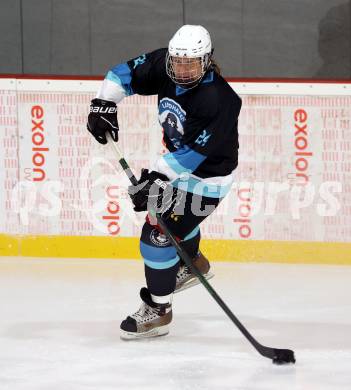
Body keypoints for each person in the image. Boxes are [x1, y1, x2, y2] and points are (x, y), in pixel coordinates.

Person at [87, 25, 242, 339]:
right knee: (170, 218)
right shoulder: (164, 64)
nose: (183, 69)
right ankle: (193, 262)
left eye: (192, 63)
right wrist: (104, 103)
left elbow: (191, 156)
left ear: (207, 61)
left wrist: (155, 180)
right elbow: (121, 75)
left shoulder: (220, 100)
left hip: (207, 179)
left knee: (157, 233)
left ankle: (159, 311)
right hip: (182, 172)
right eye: (178, 62)